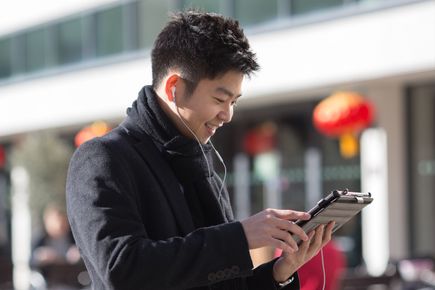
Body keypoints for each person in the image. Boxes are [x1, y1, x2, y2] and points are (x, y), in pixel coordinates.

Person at [66, 11, 334, 290]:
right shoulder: (103, 158)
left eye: (234, 102)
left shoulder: (200, 161)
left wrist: (280, 272)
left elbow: (223, 283)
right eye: (220, 99)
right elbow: (122, 269)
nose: (227, 115)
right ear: (174, 87)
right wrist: (240, 237)